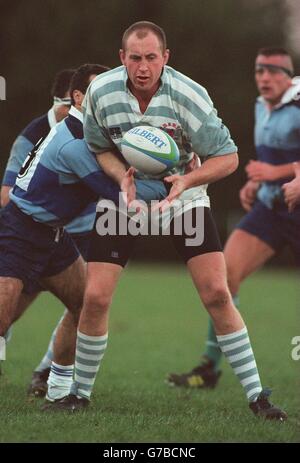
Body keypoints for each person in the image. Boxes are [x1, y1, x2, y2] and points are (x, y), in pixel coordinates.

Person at [43, 22, 287, 420]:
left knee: (217, 293)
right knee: (96, 297)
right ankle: (79, 394)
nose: (143, 67)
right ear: (122, 58)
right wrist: (119, 176)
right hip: (127, 197)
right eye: (135, 58)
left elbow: (228, 157)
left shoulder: (188, 95)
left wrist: (187, 179)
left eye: (151, 57)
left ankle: (258, 396)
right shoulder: (102, 91)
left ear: (165, 58)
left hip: (183, 197)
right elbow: (98, 146)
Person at [0, 63, 167, 401]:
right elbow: (118, 192)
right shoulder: (72, 143)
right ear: (78, 98)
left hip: (53, 235)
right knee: (3, 320)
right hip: (18, 231)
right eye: (99, 92)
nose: (109, 99)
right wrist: (174, 182)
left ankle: (58, 389)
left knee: (85, 305)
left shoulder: (92, 133)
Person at [167, 47, 300, 399]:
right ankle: (210, 367)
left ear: (289, 76)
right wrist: (259, 180)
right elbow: (275, 154)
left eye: (273, 72)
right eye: (259, 71)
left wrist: (278, 172)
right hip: (273, 210)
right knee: (224, 278)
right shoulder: (261, 104)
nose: (265, 78)